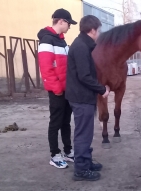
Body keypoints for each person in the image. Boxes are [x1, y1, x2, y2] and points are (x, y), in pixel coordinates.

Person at [65, 15, 110, 181]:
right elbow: (84, 76)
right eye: (98, 30)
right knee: (83, 133)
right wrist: (101, 89)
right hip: (81, 97)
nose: (99, 34)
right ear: (92, 30)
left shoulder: (83, 44)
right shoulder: (81, 47)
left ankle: (86, 160)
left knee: (86, 132)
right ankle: (81, 169)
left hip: (83, 96)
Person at [38, 9, 77, 169]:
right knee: (55, 122)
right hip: (57, 91)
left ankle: (68, 151)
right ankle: (54, 154)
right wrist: (56, 88)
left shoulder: (61, 41)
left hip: (66, 90)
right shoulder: (47, 40)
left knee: (66, 122)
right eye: (69, 23)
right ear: (61, 21)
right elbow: (46, 69)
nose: (70, 27)